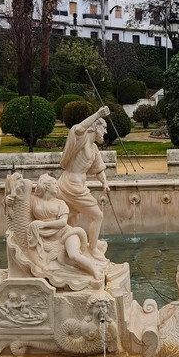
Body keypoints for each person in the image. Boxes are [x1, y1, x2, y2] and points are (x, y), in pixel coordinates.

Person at [59, 105, 112, 259]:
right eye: (104, 128)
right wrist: (98, 114)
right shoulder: (80, 140)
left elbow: (99, 168)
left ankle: (72, 249)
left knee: (71, 218)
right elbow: (79, 129)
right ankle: (93, 248)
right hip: (71, 185)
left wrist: (105, 182)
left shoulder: (94, 148)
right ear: (95, 128)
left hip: (77, 185)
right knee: (97, 216)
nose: (106, 132)